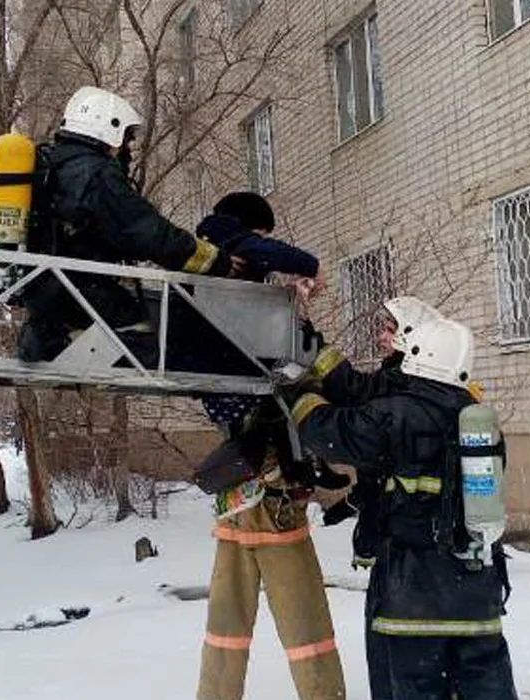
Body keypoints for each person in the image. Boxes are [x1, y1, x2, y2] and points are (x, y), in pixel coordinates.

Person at [291, 314, 519, 700]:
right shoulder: (478, 418)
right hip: (477, 601)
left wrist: (303, 394)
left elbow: (327, 433)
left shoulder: (395, 414)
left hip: (412, 602)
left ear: (418, 352)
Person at [194, 193, 346, 700]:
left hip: (239, 490)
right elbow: (272, 256)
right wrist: (307, 269)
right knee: (307, 626)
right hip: (270, 494)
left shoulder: (212, 277)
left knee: (226, 625)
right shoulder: (223, 242)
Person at [18, 86, 245, 364]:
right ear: (107, 129)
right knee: (149, 340)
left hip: (50, 291)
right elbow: (148, 232)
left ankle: (47, 337)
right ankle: (61, 345)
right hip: (80, 289)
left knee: (135, 320)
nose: (127, 150)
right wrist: (217, 261)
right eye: (125, 140)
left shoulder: (55, 165)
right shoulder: (97, 173)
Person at [308, 297, 444, 700]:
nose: (381, 336)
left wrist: (304, 394)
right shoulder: (405, 380)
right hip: (403, 542)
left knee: (394, 644)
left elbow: (350, 394)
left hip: (406, 546)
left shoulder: (404, 386)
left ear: (412, 339)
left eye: (390, 329)